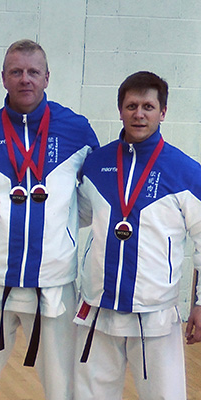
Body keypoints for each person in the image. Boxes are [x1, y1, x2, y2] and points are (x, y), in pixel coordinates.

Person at [0, 39, 99, 400]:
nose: (25, 79)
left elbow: (94, 202)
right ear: (3, 78)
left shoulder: (76, 130)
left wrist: (57, 228)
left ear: (47, 77)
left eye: (33, 72)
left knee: (61, 382)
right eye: (16, 72)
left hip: (54, 282)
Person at [74, 71, 201, 399]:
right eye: (131, 105)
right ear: (120, 111)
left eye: (148, 106)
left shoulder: (186, 171)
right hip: (97, 310)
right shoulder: (96, 163)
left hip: (155, 316)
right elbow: (77, 216)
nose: (139, 114)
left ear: (163, 112)